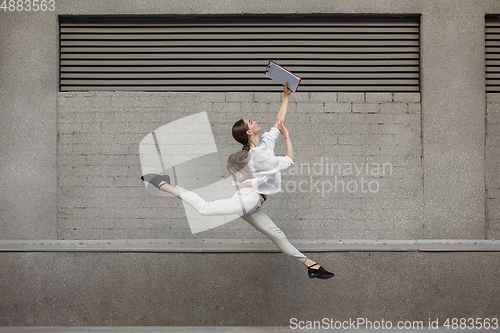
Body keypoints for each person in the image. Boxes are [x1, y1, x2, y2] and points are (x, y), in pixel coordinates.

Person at [142, 84, 334, 279]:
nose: (255, 121)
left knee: (277, 235)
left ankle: (312, 266)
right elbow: (290, 160)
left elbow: (278, 121)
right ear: (249, 132)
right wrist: (288, 137)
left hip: (254, 203)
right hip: (248, 200)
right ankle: (164, 184)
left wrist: (285, 96)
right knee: (204, 208)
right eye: (251, 122)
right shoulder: (258, 155)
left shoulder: (263, 146)